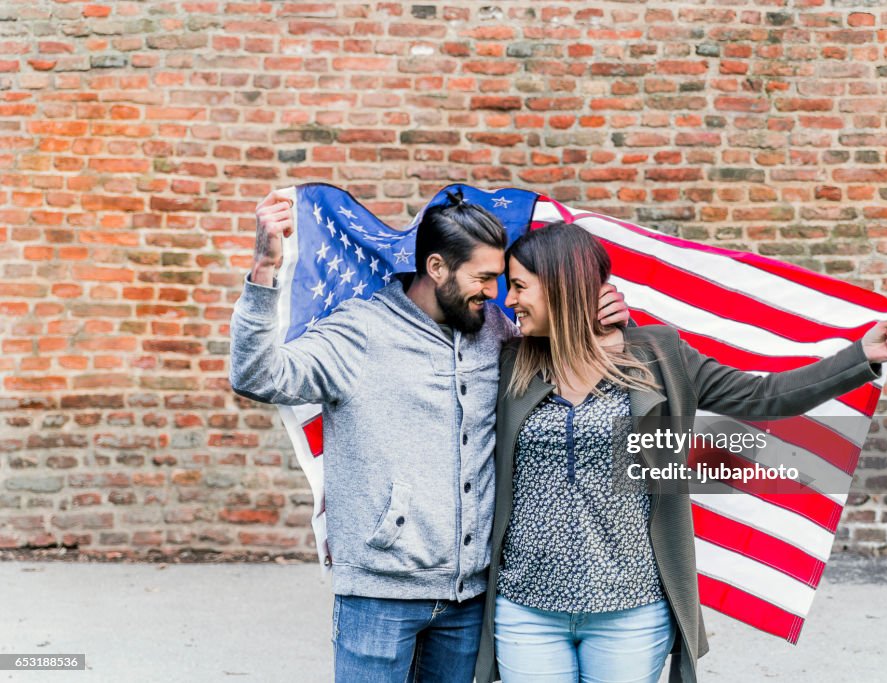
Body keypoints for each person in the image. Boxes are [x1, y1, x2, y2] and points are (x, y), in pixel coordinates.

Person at [474, 221, 887, 683]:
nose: (508, 300)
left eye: (520, 286)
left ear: (563, 287)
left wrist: (861, 355)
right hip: (526, 608)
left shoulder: (657, 356)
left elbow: (763, 397)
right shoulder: (510, 362)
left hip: (630, 611)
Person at [228, 191, 630, 683]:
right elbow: (258, 375)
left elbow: (565, 362)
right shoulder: (359, 331)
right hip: (379, 593)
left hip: (470, 599)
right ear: (437, 267)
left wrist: (602, 323)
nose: (494, 291)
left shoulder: (496, 332)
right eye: (482, 278)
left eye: (498, 278)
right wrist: (264, 270)